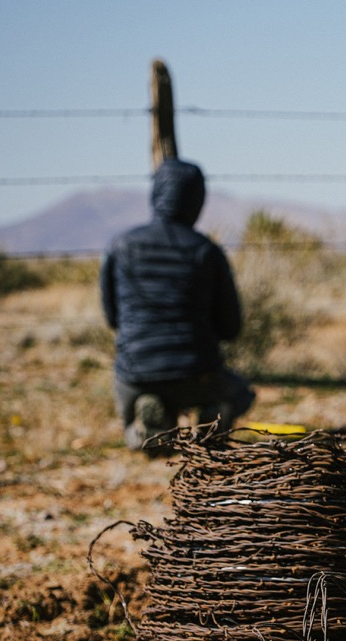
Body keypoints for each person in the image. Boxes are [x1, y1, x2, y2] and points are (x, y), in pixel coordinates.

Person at [100, 158, 255, 453]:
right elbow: (230, 327)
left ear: (155, 194)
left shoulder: (121, 246)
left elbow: (112, 317)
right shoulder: (206, 250)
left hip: (135, 374)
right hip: (198, 374)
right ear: (198, 200)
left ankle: (148, 427)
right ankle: (213, 420)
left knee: (148, 395)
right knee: (240, 392)